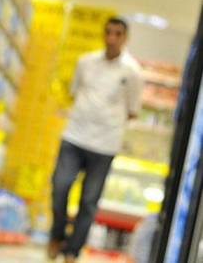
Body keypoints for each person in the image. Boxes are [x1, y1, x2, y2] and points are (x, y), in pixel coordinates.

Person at [48, 17, 144, 262]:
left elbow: (133, 110)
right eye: (108, 32)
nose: (112, 38)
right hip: (74, 135)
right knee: (60, 186)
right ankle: (56, 235)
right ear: (103, 34)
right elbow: (74, 91)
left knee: (89, 201)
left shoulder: (133, 72)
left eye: (118, 34)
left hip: (105, 144)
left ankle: (72, 250)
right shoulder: (86, 62)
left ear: (125, 38)